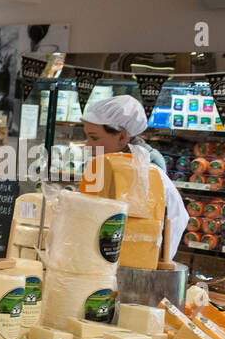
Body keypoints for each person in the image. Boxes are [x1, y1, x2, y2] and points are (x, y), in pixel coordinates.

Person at [80, 95, 188, 259]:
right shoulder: (106, 167)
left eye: (94, 138)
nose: (88, 145)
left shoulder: (144, 172)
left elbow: (154, 227)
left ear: (122, 137)